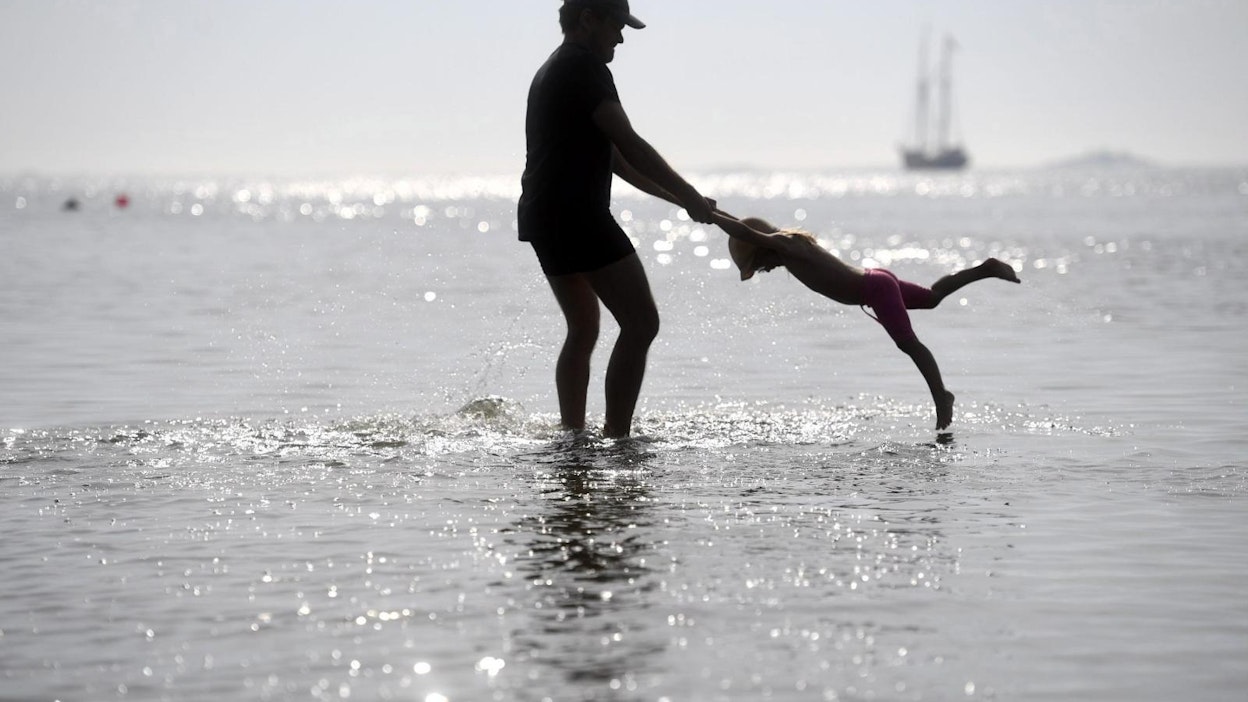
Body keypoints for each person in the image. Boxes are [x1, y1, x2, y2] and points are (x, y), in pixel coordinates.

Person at [517, 0, 715, 438]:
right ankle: (617, 438)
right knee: (642, 323)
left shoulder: (554, 69)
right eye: (616, 26)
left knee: (583, 328)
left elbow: (619, 161)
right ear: (588, 18)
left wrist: (684, 202)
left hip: (544, 217)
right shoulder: (585, 68)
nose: (621, 37)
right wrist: (691, 196)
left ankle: (573, 438)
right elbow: (632, 143)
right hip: (576, 215)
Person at [711, 211, 1021, 430]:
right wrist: (711, 208)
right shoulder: (786, 245)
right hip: (875, 280)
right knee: (932, 298)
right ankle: (986, 269)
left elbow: (745, 232)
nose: (767, 270)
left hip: (873, 289)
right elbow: (745, 230)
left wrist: (709, 217)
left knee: (910, 345)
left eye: (760, 265)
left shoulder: (787, 245)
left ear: (765, 248)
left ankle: (941, 396)